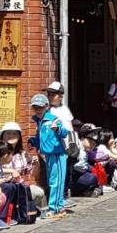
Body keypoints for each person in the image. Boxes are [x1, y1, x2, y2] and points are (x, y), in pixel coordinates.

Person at [0, 122, 47, 213]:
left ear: (19, 137)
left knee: (39, 192)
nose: (11, 136)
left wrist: (36, 164)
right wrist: (10, 170)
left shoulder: (23, 154)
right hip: (1, 185)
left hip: (19, 186)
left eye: (14, 133)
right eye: (8, 133)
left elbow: (34, 174)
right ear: (3, 136)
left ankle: (29, 212)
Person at [31, 94, 68, 219]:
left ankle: (56, 208)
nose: (38, 110)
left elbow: (64, 132)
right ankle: (57, 206)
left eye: (40, 107)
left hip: (57, 154)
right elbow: (41, 138)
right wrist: (34, 141)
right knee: (51, 181)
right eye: (35, 107)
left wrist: (57, 129)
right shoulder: (39, 121)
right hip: (48, 154)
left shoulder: (53, 119)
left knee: (56, 182)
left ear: (46, 106)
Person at [46, 81, 77, 209]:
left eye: (53, 94)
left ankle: (61, 198)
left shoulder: (64, 109)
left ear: (61, 96)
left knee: (64, 174)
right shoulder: (48, 110)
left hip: (65, 146)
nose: (50, 96)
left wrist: (75, 144)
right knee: (54, 176)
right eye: (49, 94)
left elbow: (69, 128)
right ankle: (56, 203)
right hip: (53, 147)